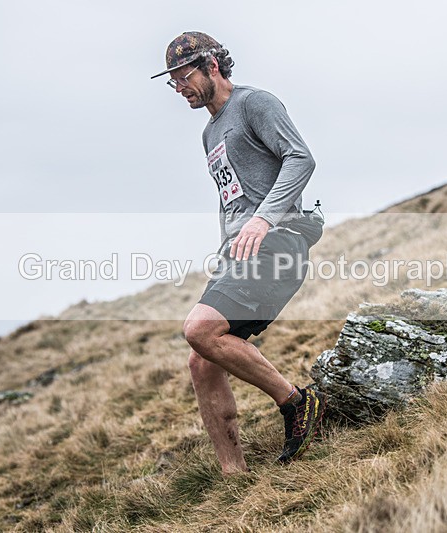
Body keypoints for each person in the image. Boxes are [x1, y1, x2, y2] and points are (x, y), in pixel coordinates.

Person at [151, 31, 326, 475]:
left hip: (277, 240)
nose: (179, 89)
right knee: (201, 358)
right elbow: (231, 200)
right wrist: (225, 247)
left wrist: (263, 219)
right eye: (171, 82)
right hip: (241, 251)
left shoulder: (255, 104)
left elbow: (300, 159)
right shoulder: (210, 133)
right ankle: (234, 475)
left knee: (200, 330)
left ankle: (298, 403)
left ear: (212, 65)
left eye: (183, 76)